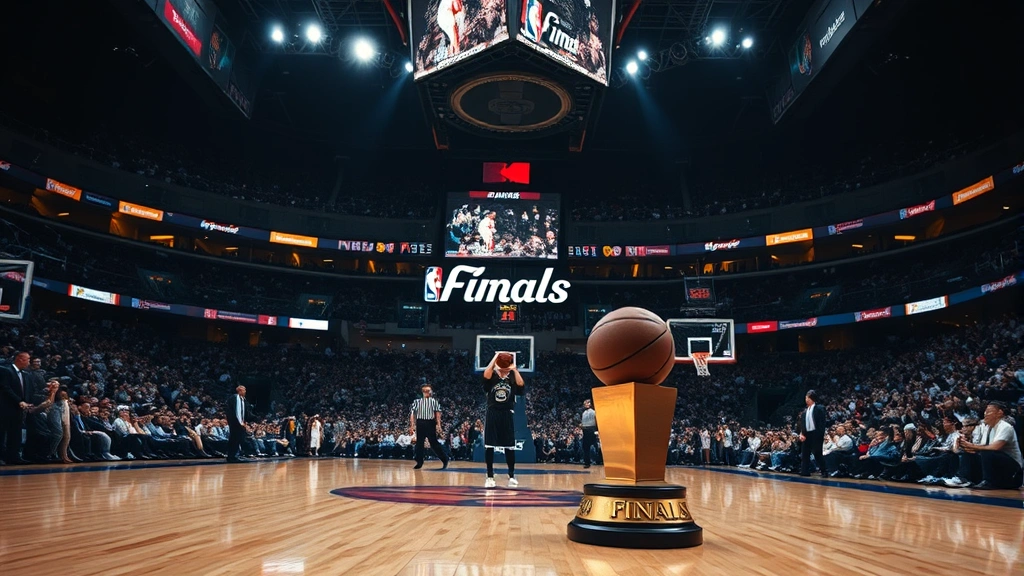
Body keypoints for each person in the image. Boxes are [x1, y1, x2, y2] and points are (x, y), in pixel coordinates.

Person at [481, 352, 524, 488]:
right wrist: (495, 357)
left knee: (509, 446)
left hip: (507, 412)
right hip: (493, 412)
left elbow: (521, 385)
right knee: (489, 446)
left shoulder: (512, 377)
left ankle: (511, 475)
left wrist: (514, 369)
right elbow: (486, 373)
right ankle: (489, 476)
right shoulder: (492, 376)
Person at [958, 401, 1024, 489]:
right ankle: (964, 479)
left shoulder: (1006, 427)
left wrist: (971, 446)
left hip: (1014, 472)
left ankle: (988, 481)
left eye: (988, 411)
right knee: (969, 454)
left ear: (999, 413)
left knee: (987, 451)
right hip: (999, 468)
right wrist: (964, 445)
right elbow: (979, 449)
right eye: (985, 411)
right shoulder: (987, 428)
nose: (985, 414)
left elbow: (995, 447)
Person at [0, 351, 32, 465]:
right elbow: (5, 388)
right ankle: (2, 457)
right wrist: (19, 401)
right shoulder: (6, 371)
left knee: (16, 433)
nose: (29, 362)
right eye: (28, 359)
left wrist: (27, 402)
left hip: (18, 409)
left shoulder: (24, 374)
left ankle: (14, 457)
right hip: (6, 408)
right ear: (20, 359)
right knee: (2, 433)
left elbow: (25, 391)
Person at [410, 384, 449, 470]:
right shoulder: (417, 401)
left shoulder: (434, 401)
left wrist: (438, 425)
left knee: (433, 443)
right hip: (420, 422)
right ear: (423, 392)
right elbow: (412, 413)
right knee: (419, 443)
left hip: (430, 423)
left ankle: (444, 459)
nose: (428, 392)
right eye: (426, 391)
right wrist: (412, 425)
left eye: (429, 390)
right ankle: (419, 462)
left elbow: (438, 413)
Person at [798, 389, 827, 477]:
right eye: (806, 397)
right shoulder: (805, 412)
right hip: (807, 434)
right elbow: (803, 424)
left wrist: (820, 433)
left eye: (808, 398)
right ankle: (805, 471)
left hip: (816, 433)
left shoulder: (819, 408)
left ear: (812, 398)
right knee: (805, 454)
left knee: (818, 453)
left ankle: (824, 471)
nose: (806, 399)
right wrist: (801, 433)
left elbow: (822, 422)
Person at [226, 385, 249, 463]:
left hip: (240, 422)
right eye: (244, 390)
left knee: (238, 439)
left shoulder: (243, 399)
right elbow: (237, 411)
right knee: (234, 439)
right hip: (235, 422)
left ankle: (235, 455)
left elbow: (243, 412)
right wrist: (240, 422)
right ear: (239, 391)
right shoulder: (235, 397)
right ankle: (231, 456)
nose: (245, 391)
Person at [580, 399, 597, 469]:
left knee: (595, 445)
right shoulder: (583, 413)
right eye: (584, 403)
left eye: (586, 403)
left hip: (591, 429)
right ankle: (587, 462)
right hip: (585, 430)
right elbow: (583, 422)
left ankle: (597, 460)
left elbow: (595, 421)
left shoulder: (594, 412)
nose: (585, 404)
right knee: (585, 447)